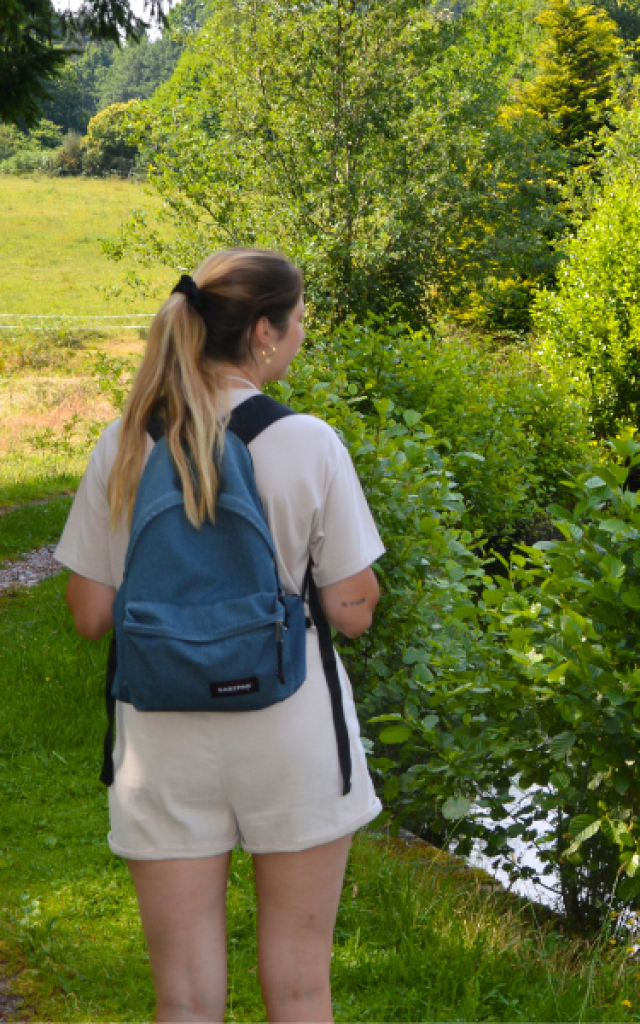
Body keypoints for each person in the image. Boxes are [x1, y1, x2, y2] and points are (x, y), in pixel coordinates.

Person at [55, 248, 384, 1024]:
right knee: (301, 984)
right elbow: (349, 608)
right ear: (264, 333)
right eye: (299, 320)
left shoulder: (126, 441)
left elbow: (89, 614)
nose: (300, 334)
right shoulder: (309, 442)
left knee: (184, 997)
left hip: (159, 732)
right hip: (289, 716)